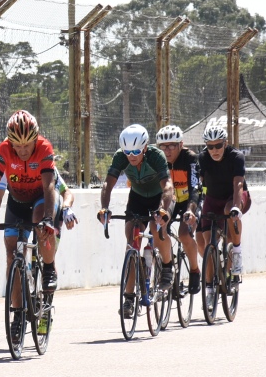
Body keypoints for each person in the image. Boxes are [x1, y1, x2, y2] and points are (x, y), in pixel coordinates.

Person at [0, 110, 60, 325]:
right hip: (17, 201)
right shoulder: (4, 149)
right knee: (11, 252)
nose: (23, 151)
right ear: (10, 142)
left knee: (41, 223)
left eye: (27, 145)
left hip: (40, 198)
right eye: (18, 146)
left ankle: (49, 266)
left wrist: (49, 219)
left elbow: (49, 184)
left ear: (35, 139)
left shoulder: (44, 147)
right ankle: (17, 313)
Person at [97, 124, 175, 318]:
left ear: (145, 147)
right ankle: (129, 298)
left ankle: (167, 267)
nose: (131, 156)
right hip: (138, 198)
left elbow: (167, 186)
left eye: (136, 151)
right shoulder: (120, 157)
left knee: (158, 230)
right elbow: (108, 184)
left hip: (160, 197)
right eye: (127, 151)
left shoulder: (156, 156)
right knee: (132, 242)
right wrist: (105, 207)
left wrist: (163, 210)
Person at [194, 124, 248, 299]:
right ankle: (210, 288)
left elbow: (238, 184)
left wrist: (236, 207)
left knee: (228, 211)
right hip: (212, 199)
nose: (214, 150)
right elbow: (200, 185)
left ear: (225, 143)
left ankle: (237, 252)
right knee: (208, 242)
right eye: (210, 146)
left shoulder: (236, 157)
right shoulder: (203, 158)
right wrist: (197, 206)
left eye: (218, 145)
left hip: (234, 197)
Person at [154, 124, 202, 294]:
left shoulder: (190, 159)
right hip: (172, 201)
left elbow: (195, 187)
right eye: (163, 147)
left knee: (183, 234)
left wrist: (190, 210)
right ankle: (168, 268)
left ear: (181, 145)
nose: (167, 151)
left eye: (172, 146)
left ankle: (195, 270)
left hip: (191, 200)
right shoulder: (158, 160)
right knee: (158, 230)